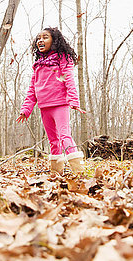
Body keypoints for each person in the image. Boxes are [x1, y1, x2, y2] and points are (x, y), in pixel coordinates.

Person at [17, 27, 86, 174]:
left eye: (45, 37)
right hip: (44, 107)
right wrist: (26, 110)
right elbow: (32, 89)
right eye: (39, 38)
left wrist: (74, 101)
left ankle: (78, 172)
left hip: (60, 104)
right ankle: (56, 173)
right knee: (53, 141)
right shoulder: (38, 64)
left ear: (54, 41)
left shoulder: (62, 59)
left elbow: (69, 79)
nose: (41, 40)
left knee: (64, 136)